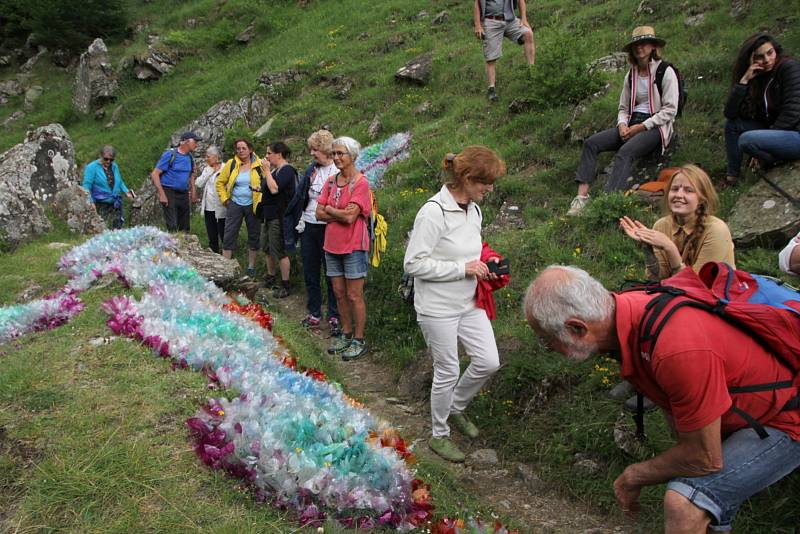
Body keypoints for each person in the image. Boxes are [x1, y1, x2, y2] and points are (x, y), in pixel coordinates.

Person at [524, 265, 800, 533]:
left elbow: (704, 457)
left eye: (546, 342)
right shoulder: (630, 312)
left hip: (786, 420)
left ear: (577, 329)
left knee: (684, 503)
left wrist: (633, 476)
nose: (549, 350)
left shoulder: (675, 348)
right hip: (749, 415)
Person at [403, 146, 506, 463]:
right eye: (484, 183)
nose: (489, 189)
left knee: (489, 361)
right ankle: (439, 435)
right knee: (447, 371)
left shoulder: (473, 210)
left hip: (469, 301)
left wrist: (488, 260)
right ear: (466, 177)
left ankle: (456, 407)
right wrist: (461, 269)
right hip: (437, 308)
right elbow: (413, 264)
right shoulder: (433, 212)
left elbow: (471, 251)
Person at [568, 26, 679, 216]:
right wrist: (622, 125)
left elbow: (670, 109)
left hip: (655, 127)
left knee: (625, 152)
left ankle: (607, 203)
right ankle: (581, 198)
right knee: (591, 143)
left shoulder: (665, 71)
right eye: (636, 45)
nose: (639, 48)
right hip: (631, 122)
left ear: (653, 46)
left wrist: (642, 127)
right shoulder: (632, 75)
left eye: (643, 44)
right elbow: (623, 107)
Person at [620, 164, 735, 281]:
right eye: (674, 189)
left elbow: (697, 287)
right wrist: (647, 246)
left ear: (701, 199)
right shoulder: (661, 225)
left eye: (688, 190)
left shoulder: (716, 230)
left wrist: (670, 248)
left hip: (712, 296)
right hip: (675, 293)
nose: (679, 195)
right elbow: (656, 280)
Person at [315, 136, 371, 362]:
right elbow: (318, 214)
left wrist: (330, 209)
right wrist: (335, 211)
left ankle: (359, 338)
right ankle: (346, 333)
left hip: (354, 245)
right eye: (334, 153)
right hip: (332, 245)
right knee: (338, 292)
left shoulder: (360, 183)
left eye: (341, 154)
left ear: (352, 156)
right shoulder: (330, 182)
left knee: (354, 294)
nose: (336, 157)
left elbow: (350, 217)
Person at [723, 32, 800, 186]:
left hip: (795, 132)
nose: (767, 60)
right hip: (775, 130)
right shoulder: (757, 76)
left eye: (770, 53)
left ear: (775, 50)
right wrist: (744, 80)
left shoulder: (788, 68)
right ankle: (732, 178)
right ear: (751, 59)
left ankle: (770, 161)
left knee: (747, 140)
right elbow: (730, 113)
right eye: (760, 56)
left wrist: (766, 141)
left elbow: (793, 112)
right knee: (732, 125)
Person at [289, 130, 340, 334]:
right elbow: (302, 195)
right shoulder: (312, 170)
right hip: (309, 224)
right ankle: (314, 313)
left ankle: (335, 315)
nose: (312, 153)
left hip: (330, 226)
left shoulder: (337, 171)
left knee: (332, 273)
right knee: (310, 271)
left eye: (315, 149)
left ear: (326, 150)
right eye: (311, 149)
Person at [216, 138, 263, 276]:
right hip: (235, 203)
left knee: (254, 234)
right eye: (238, 148)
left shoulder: (259, 165)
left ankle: (251, 267)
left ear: (250, 149)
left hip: (253, 204)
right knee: (229, 234)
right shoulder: (232, 164)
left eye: (243, 148)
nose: (241, 151)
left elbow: (266, 183)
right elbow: (220, 182)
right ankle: (225, 266)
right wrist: (225, 200)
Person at [473, 0, 535, 102]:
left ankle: (532, 72)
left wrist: (524, 18)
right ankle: (491, 89)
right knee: (491, 57)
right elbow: (477, 3)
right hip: (490, 21)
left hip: (510, 20)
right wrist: (478, 25)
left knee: (528, 33)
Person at [260, 141, 297, 298]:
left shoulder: (287, 170)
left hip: (279, 217)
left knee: (279, 250)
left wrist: (267, 172)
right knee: (267, 247)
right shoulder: (276, 170)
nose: (267, 156)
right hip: (268, 215)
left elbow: (275, 189)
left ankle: (285, 284)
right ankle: (270, 277)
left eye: (269, 153)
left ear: (279, 154)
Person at [151, 131, 200, 232]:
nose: (196, 144)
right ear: (186, 142)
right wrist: (162, 194)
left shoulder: (190, 157)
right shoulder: (170, 155)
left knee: (185, 225)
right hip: (169, 192)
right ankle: (173, 245)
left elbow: (191, 174)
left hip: (184, 193)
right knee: (172, 224)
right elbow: (155, 174)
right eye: (195, 141)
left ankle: (185, 245)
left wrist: (193, 192)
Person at [81, 145, 133, 229]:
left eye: (111, 160)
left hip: (115, 202)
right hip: (100, 204)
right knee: (103, 228)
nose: (109, 161)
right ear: (101, 156)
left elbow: (119, 181)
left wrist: (127, 192)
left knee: (117, 228)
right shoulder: (92, 167)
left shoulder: (114, 166)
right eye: (106, 159)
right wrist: (90, 202)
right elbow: (86, 186)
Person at [195, 146, 226, 254]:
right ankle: (214, 256)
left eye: (208, 157)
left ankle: (227, 257)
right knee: (212, 235)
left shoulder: (225, 168)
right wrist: (209, 172)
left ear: (216, 157)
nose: (206, 159)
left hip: (222, 207)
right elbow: (198, 183)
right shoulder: (207, 169)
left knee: (224, 233)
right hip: (209, 208)